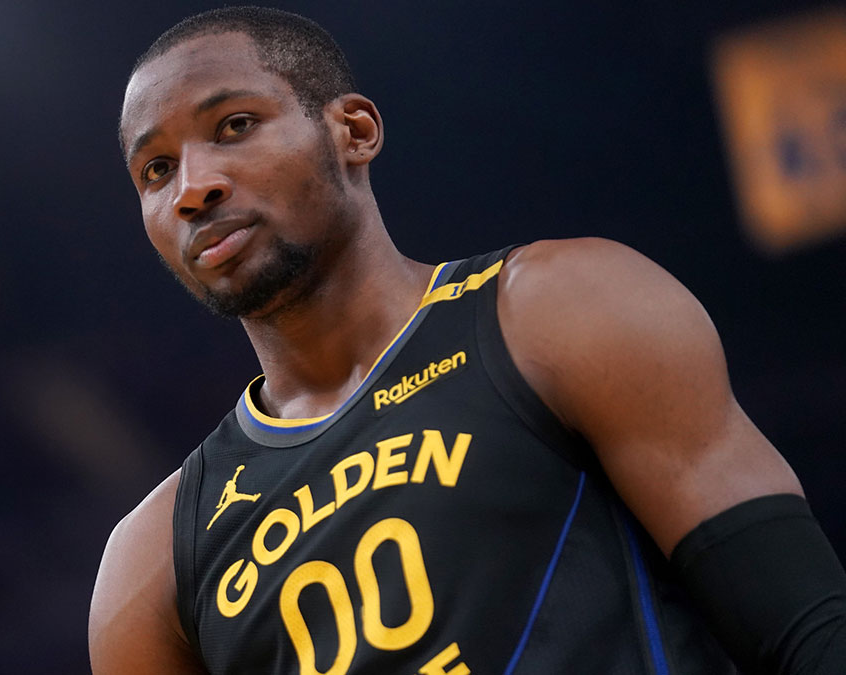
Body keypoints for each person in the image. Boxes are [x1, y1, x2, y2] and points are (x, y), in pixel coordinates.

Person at [89, 6, 846, 673]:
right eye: (156, 170)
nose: (193, 188)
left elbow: (807, 625)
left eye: (235, 127)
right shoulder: (152, 561)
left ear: (352, 130)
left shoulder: (556, 308)